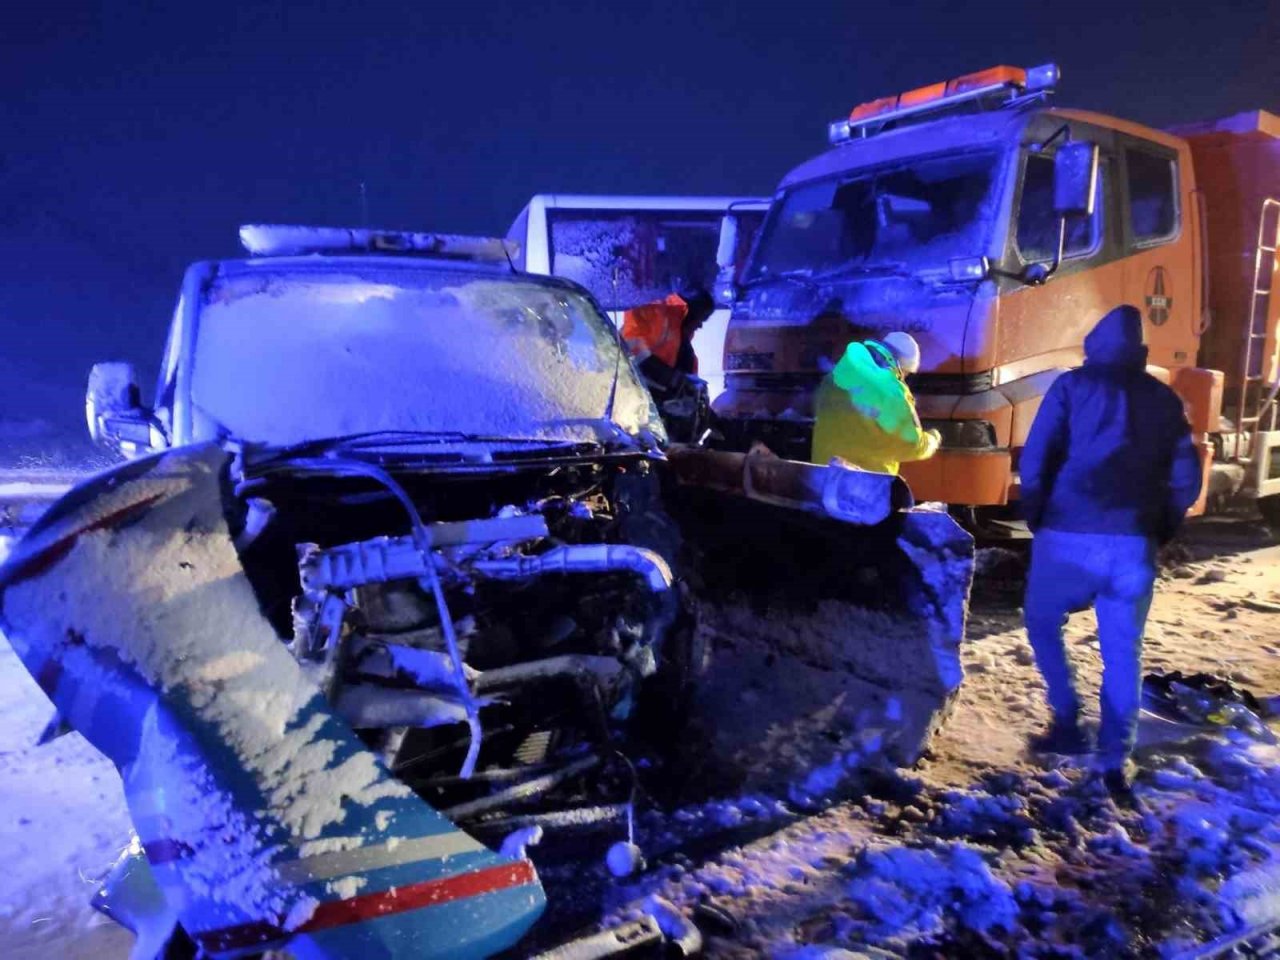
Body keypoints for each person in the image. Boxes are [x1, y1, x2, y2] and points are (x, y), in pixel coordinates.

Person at [1020, 304, 1203, 800]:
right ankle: (1114, 759)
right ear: (1139, 350)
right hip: (1132, 544)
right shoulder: (1164, 400)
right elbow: (1186, 480)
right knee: (1124, 652)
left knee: (1042, 622)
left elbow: (1036, 460)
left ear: (1094, 345)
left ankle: (1067, 719)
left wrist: (1038, 514)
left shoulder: (1070, 388)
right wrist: (1158, 529)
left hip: (1066, 535)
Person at [810, 331, 940, 475]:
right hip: (864, 481)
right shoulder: (891, 389)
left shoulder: (835, 376)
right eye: (906, 373)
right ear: (900, 366)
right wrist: (932, 440)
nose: (903, 378)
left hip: (823, 476)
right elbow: (911, 444)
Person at [620, 285, 715, 393]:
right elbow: (631, 352)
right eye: (701, 319)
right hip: (630, 393)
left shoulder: (687, 355)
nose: (700, 326)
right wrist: (673, 379)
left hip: (650, 396)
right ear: (691, 313)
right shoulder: (653, 312)